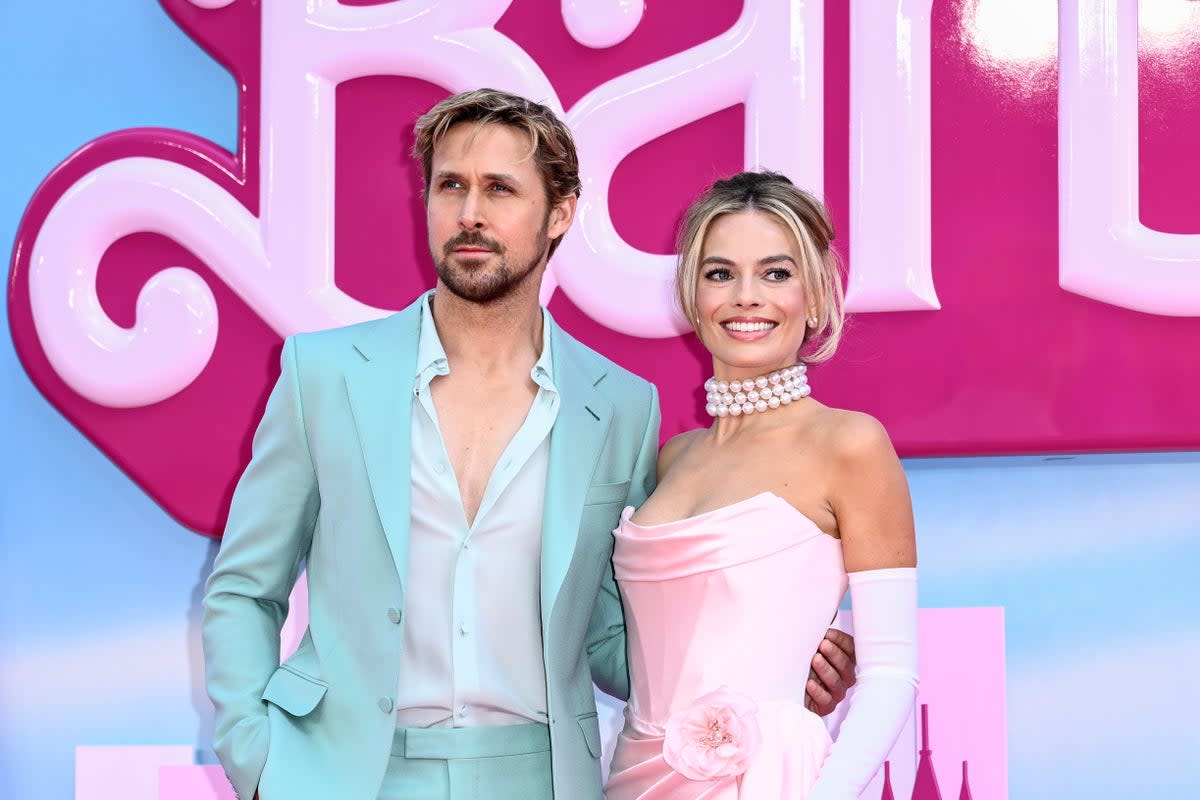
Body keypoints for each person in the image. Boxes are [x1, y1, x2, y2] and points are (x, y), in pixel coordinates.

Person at [202, 90, 856, 800]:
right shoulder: (323, 375)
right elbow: (244, 587)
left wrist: (770, 674)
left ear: (561, 212)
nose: (470, 213)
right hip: (341, 775)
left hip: (540, 779)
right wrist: (260, 763)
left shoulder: (620, 407)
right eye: (450, 185)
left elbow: (613, 636)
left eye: (500, 189)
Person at [605, 171, 919, 799]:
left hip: (770, 781)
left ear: (816, 296)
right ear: (693, 296)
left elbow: (891, 675)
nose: (747, 297)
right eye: (720, 274)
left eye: (777, 274)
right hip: (635, 776)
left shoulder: (851, 445)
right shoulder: (673, 459)